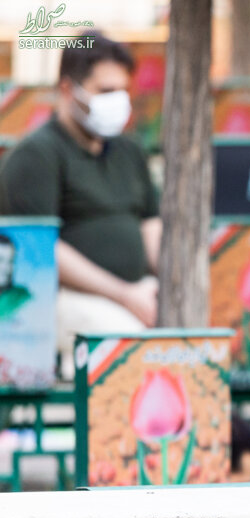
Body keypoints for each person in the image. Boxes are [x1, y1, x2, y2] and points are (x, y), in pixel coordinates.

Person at [0, 31, 161, 364]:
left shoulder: (129, 151)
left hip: (139, 291)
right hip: (66, 300)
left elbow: (151, 224)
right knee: (138, 349)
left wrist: (168, 285)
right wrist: (125, 294)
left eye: (123, 91)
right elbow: (41, 249)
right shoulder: (36, 155)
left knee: (193, 332)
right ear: (67, 89)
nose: (118, 102)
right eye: (106, 91)